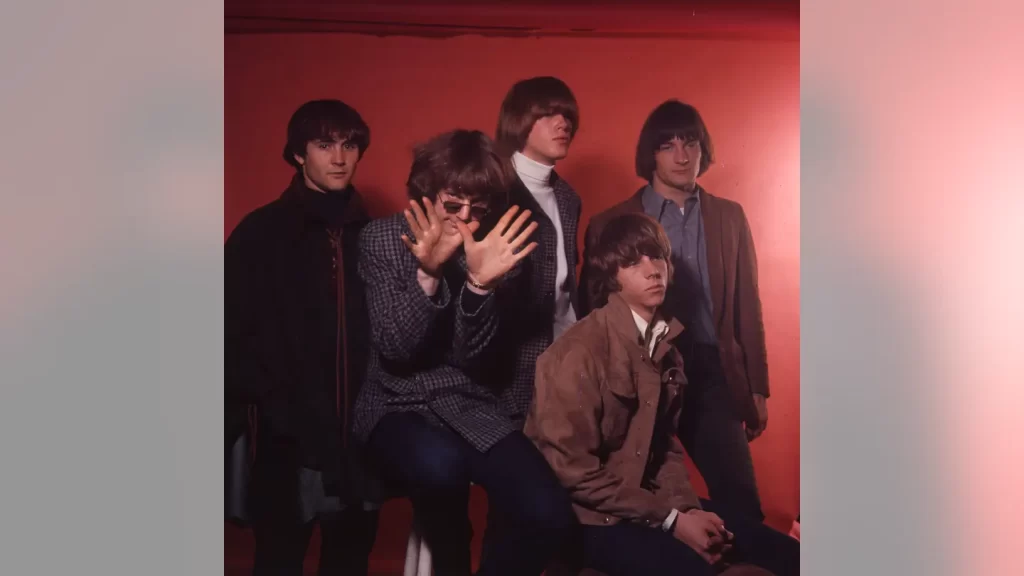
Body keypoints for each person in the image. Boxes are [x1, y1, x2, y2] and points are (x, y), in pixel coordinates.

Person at [352, 129, 575, 576]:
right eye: (452, 205)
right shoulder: (380, 239)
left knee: (551, 518)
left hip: (471, 403)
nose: (466, 219)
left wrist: (478, 286)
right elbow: (396, 349)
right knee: (441, 469)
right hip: (397, 403)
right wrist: (428, 273)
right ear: (425, 193)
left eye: (480, 206)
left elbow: (474, 359)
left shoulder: (495, 250)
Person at [526, 212, 799, 576]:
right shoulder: (577, 352)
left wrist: (689, 511)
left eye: (656, 256)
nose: (652, 270)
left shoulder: (666, 346)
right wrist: (671, 520)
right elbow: (573, 472)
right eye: (632, 262)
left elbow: (665, 448)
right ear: (612, 276)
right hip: (590, 518)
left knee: (789, 555)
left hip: (648, 505)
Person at [580, 99, 770, 520]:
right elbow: (590, 314)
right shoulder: (611, 222)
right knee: (636, 503)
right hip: (638, 372)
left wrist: (756, 387)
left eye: (691, 143)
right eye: (668, 145)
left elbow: (746, 304)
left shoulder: (729, 217)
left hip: (710, 374)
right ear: (651, 153)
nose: (683, 155)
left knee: (741, 504)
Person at [225, 99, 379, 576]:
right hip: (286, 441)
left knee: (350, 563)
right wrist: (275, 406)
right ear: (297, 154)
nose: (339, 158)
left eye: (349, 145)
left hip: (360, 441)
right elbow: (228, 335)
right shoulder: (259, 233)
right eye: (324, 144)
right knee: (278, 561)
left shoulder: (374, 235)